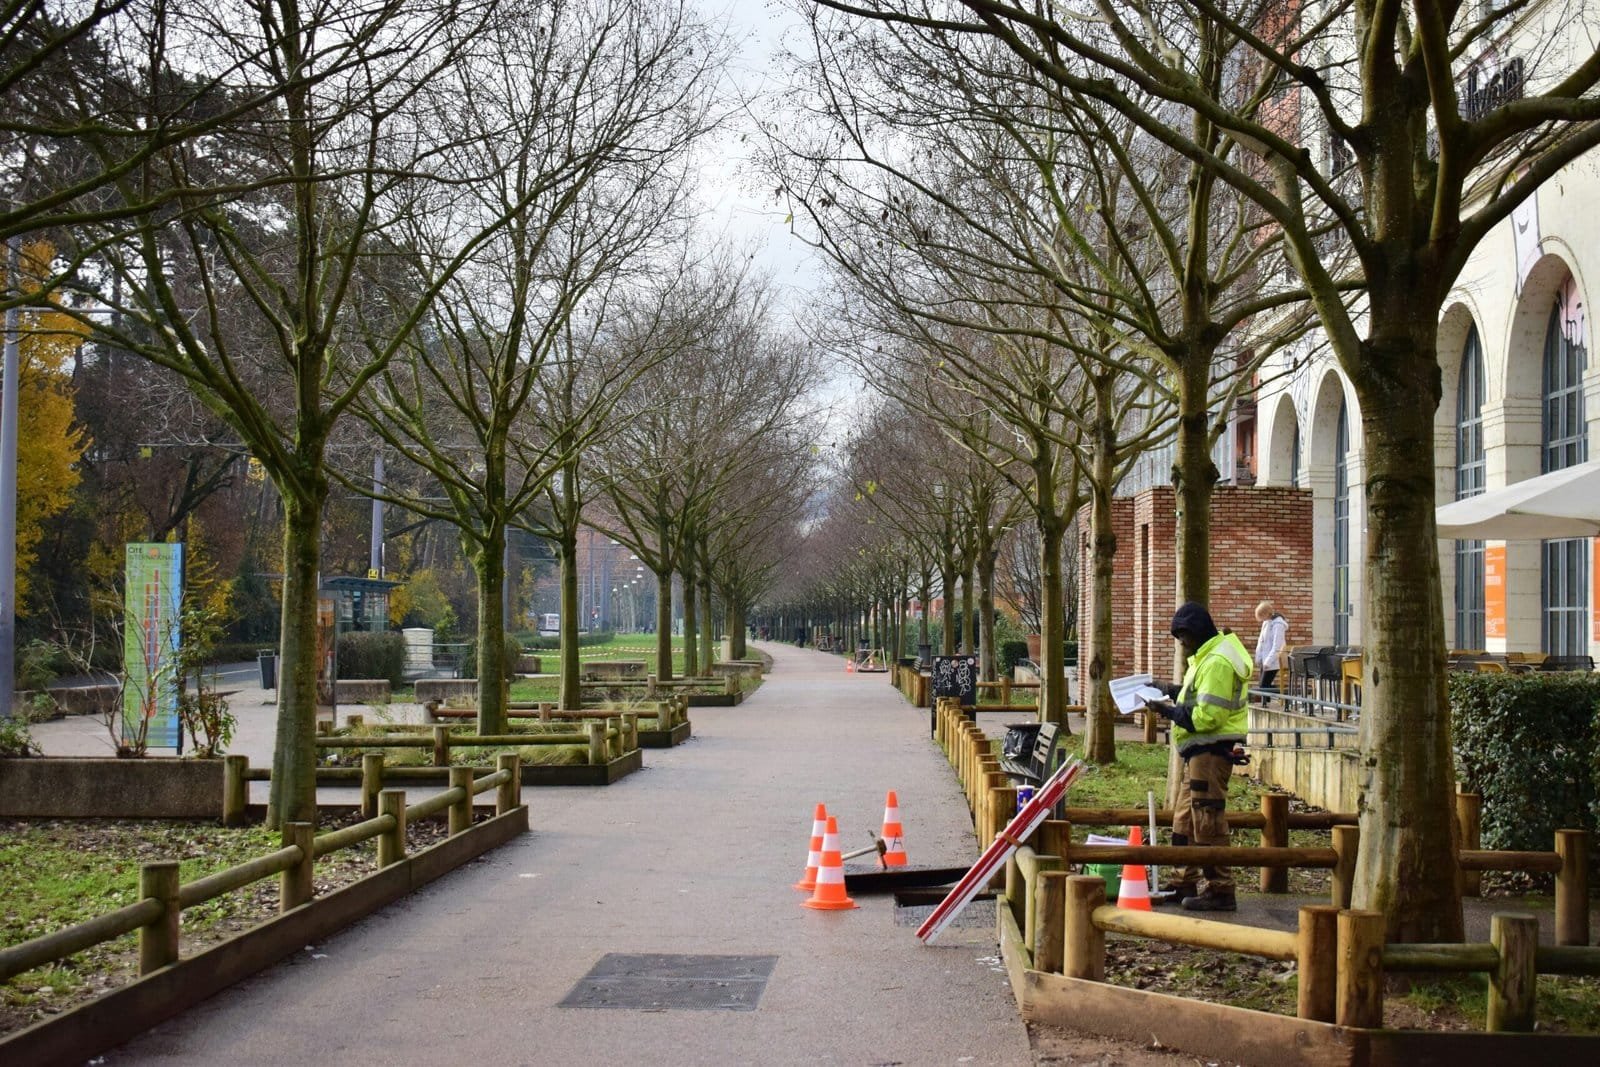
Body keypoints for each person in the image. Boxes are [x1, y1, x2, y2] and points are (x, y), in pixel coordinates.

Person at [1146, 602, 1252, 912]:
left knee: (1208, 821)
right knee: (1184, 820)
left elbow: (1208, 717)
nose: (1182, 644)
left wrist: (1167, 710)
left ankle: (1220, 889)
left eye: (1184, 637)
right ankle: (1184, 881)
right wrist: (1170, 690)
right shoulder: (1208, 657)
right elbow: (1200, 698)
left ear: (1197, 632)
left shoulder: (1217, 661)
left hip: (1210, 752)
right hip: (1198, 754)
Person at [1253, 600, 1288, 701]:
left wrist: (1268, 661)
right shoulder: (1266, 623)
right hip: (1265, 659)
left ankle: (1285, 695)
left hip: (1274, 660)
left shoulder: (1278, 625)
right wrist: (1259, 658)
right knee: (1263, 685)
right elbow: (1261, 642)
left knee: (1264, 686)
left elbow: (1277, 646)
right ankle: (1267, 703)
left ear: (1266, 614)